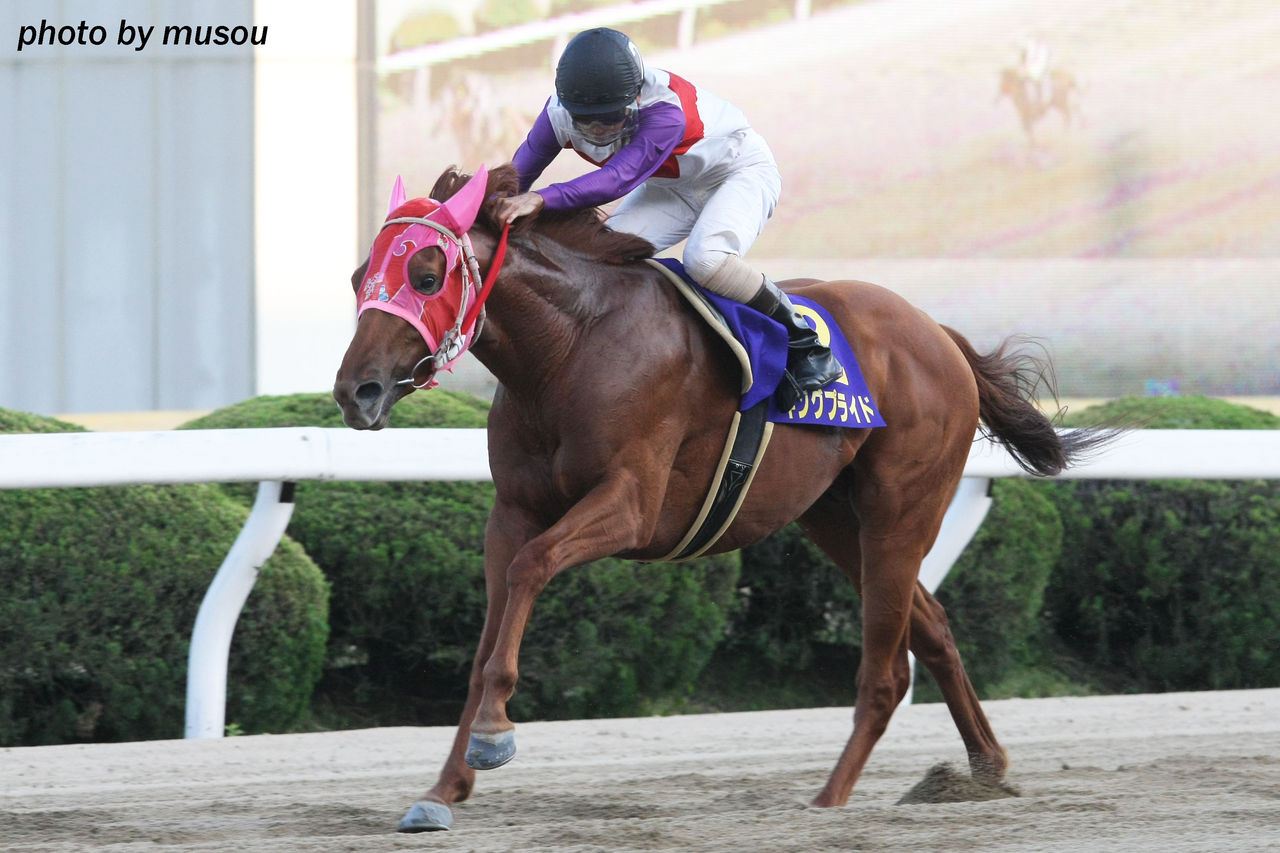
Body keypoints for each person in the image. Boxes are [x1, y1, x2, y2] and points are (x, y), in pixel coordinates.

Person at [493, 27, 841, 407]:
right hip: (671, 186)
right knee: (598, 254)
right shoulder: (556, 112)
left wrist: (541, 200)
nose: (598, 129)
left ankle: (806, 344)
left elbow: (617, 179)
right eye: (586, 119)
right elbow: (518, 174)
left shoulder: (665, 112)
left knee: (706, 260)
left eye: (611, 116)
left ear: (637, 94)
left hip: (739, 172)